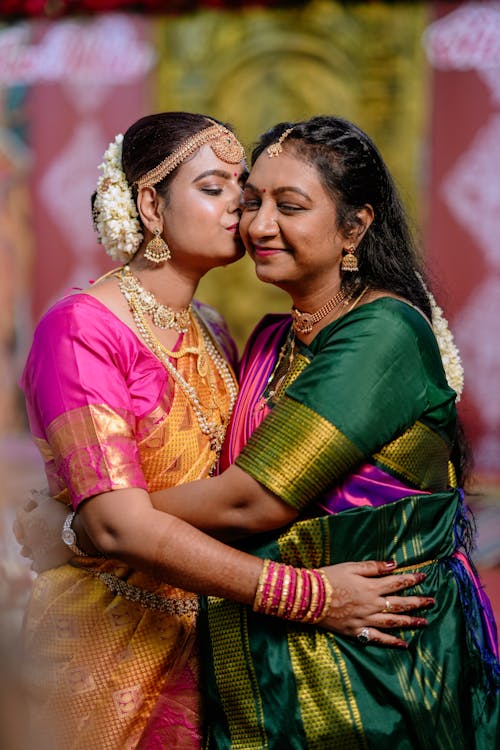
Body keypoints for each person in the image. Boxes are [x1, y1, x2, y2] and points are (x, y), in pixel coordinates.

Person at [17, 112, 429, 750]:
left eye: (245, 191)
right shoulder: (81, 329)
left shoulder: (213, 329)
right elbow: (122, 523)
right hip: (107, 647)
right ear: (151, 204)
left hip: (216, 641)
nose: (242, 212)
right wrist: (311, 596)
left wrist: (78, 524)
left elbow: (236, 494)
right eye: (215, 190)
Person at [117, 115, 499, 748]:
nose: (259, 225)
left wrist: (109, 520)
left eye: (288, 206)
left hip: (372, 675)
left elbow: (250, 500)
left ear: (355, 227)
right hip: (274, 662)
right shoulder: (273, 336)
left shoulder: (384, 334)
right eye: (250, 202)